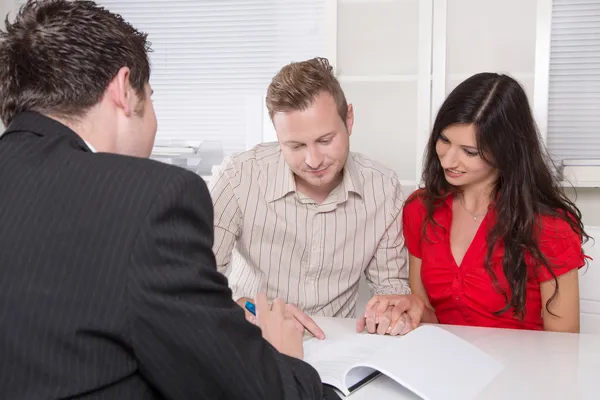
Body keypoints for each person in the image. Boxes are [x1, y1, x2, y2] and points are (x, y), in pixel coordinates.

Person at [0, 1, 335, 399]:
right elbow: (252, 388)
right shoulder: (149, 200)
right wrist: (286, 359)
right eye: (152, 96)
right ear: (125, 89)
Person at [358, 72, 588, 335]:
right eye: (444, 140)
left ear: (506, 152)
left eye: (469, 152)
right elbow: (431, 319)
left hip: (523, 372)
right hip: (443, 366)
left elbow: (564, 346)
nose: (447, 161)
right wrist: (411, 307)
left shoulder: (549, 227)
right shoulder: (421, 210)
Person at [210, 57, 410, 336]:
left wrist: (390, 312)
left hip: (337, 346)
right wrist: (243, 308)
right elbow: (195, 283)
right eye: (295, 145)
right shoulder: (238, 176)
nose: (314, 160)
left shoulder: (383, 188)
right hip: (252, 340)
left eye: (325, 140)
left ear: (349, 119)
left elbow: (392, 290)